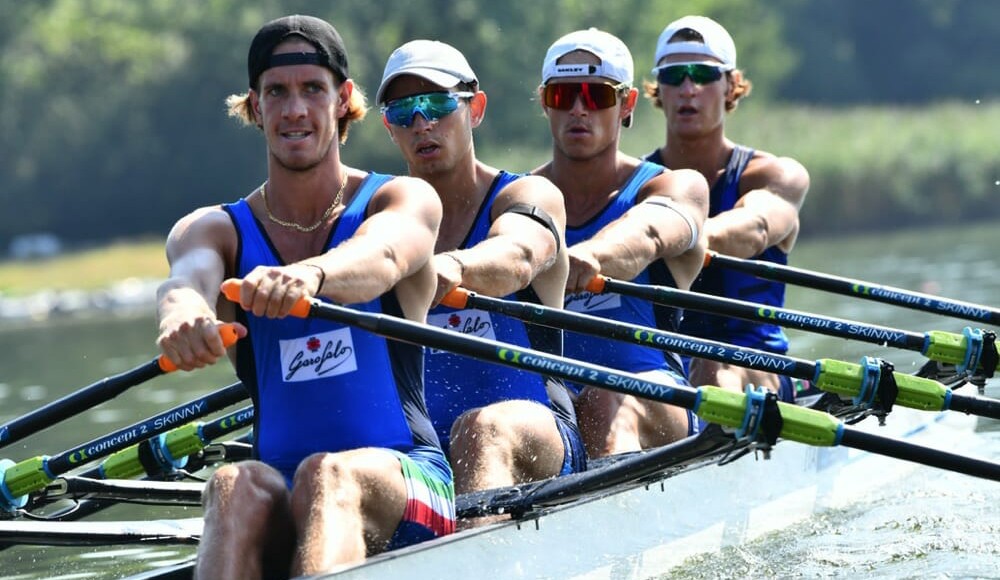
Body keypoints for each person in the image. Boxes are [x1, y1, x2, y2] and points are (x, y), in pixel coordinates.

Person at [155, 15, 453, 580]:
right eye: (277, 93)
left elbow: (384, 257)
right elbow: (185, 283)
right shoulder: (214, 230)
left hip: (411, 480)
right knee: (230, 482)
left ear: (343, 100)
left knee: (327, 474)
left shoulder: (401, 198)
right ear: (255, 106)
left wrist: (311, 276)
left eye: (312, 89)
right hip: (284, 486)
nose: (294, 110)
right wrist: (185, 319)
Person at [375, 40, 585, 498]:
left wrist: (448, 267)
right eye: (402, 110)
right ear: (389, 128)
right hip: (422, 452)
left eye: (438, 103)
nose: (422, 123)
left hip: (534, 432)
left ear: (475, 109)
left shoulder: (528, 195)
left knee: (480, 430)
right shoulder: (379, 222)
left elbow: (519, 255)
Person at [533, 29, 710, 458]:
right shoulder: (520, 199)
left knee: (601, 400)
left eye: (596, 96)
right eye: (563, 96)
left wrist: (590, 256)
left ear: (627, 104)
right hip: (554, 410)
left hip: (653, 396)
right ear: (544, 102)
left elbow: (648, 233)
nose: (578, 109)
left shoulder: (676, 185)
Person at [643, 16, 810, 399]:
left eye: (702, 74)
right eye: (674, 77)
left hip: (756, 365)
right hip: (662, 369)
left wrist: (657, 239)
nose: (688, 89)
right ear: (659, 90)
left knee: (712, 368)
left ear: (731, 85)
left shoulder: (771, 175)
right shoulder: (636, 184)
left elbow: (756, 229)